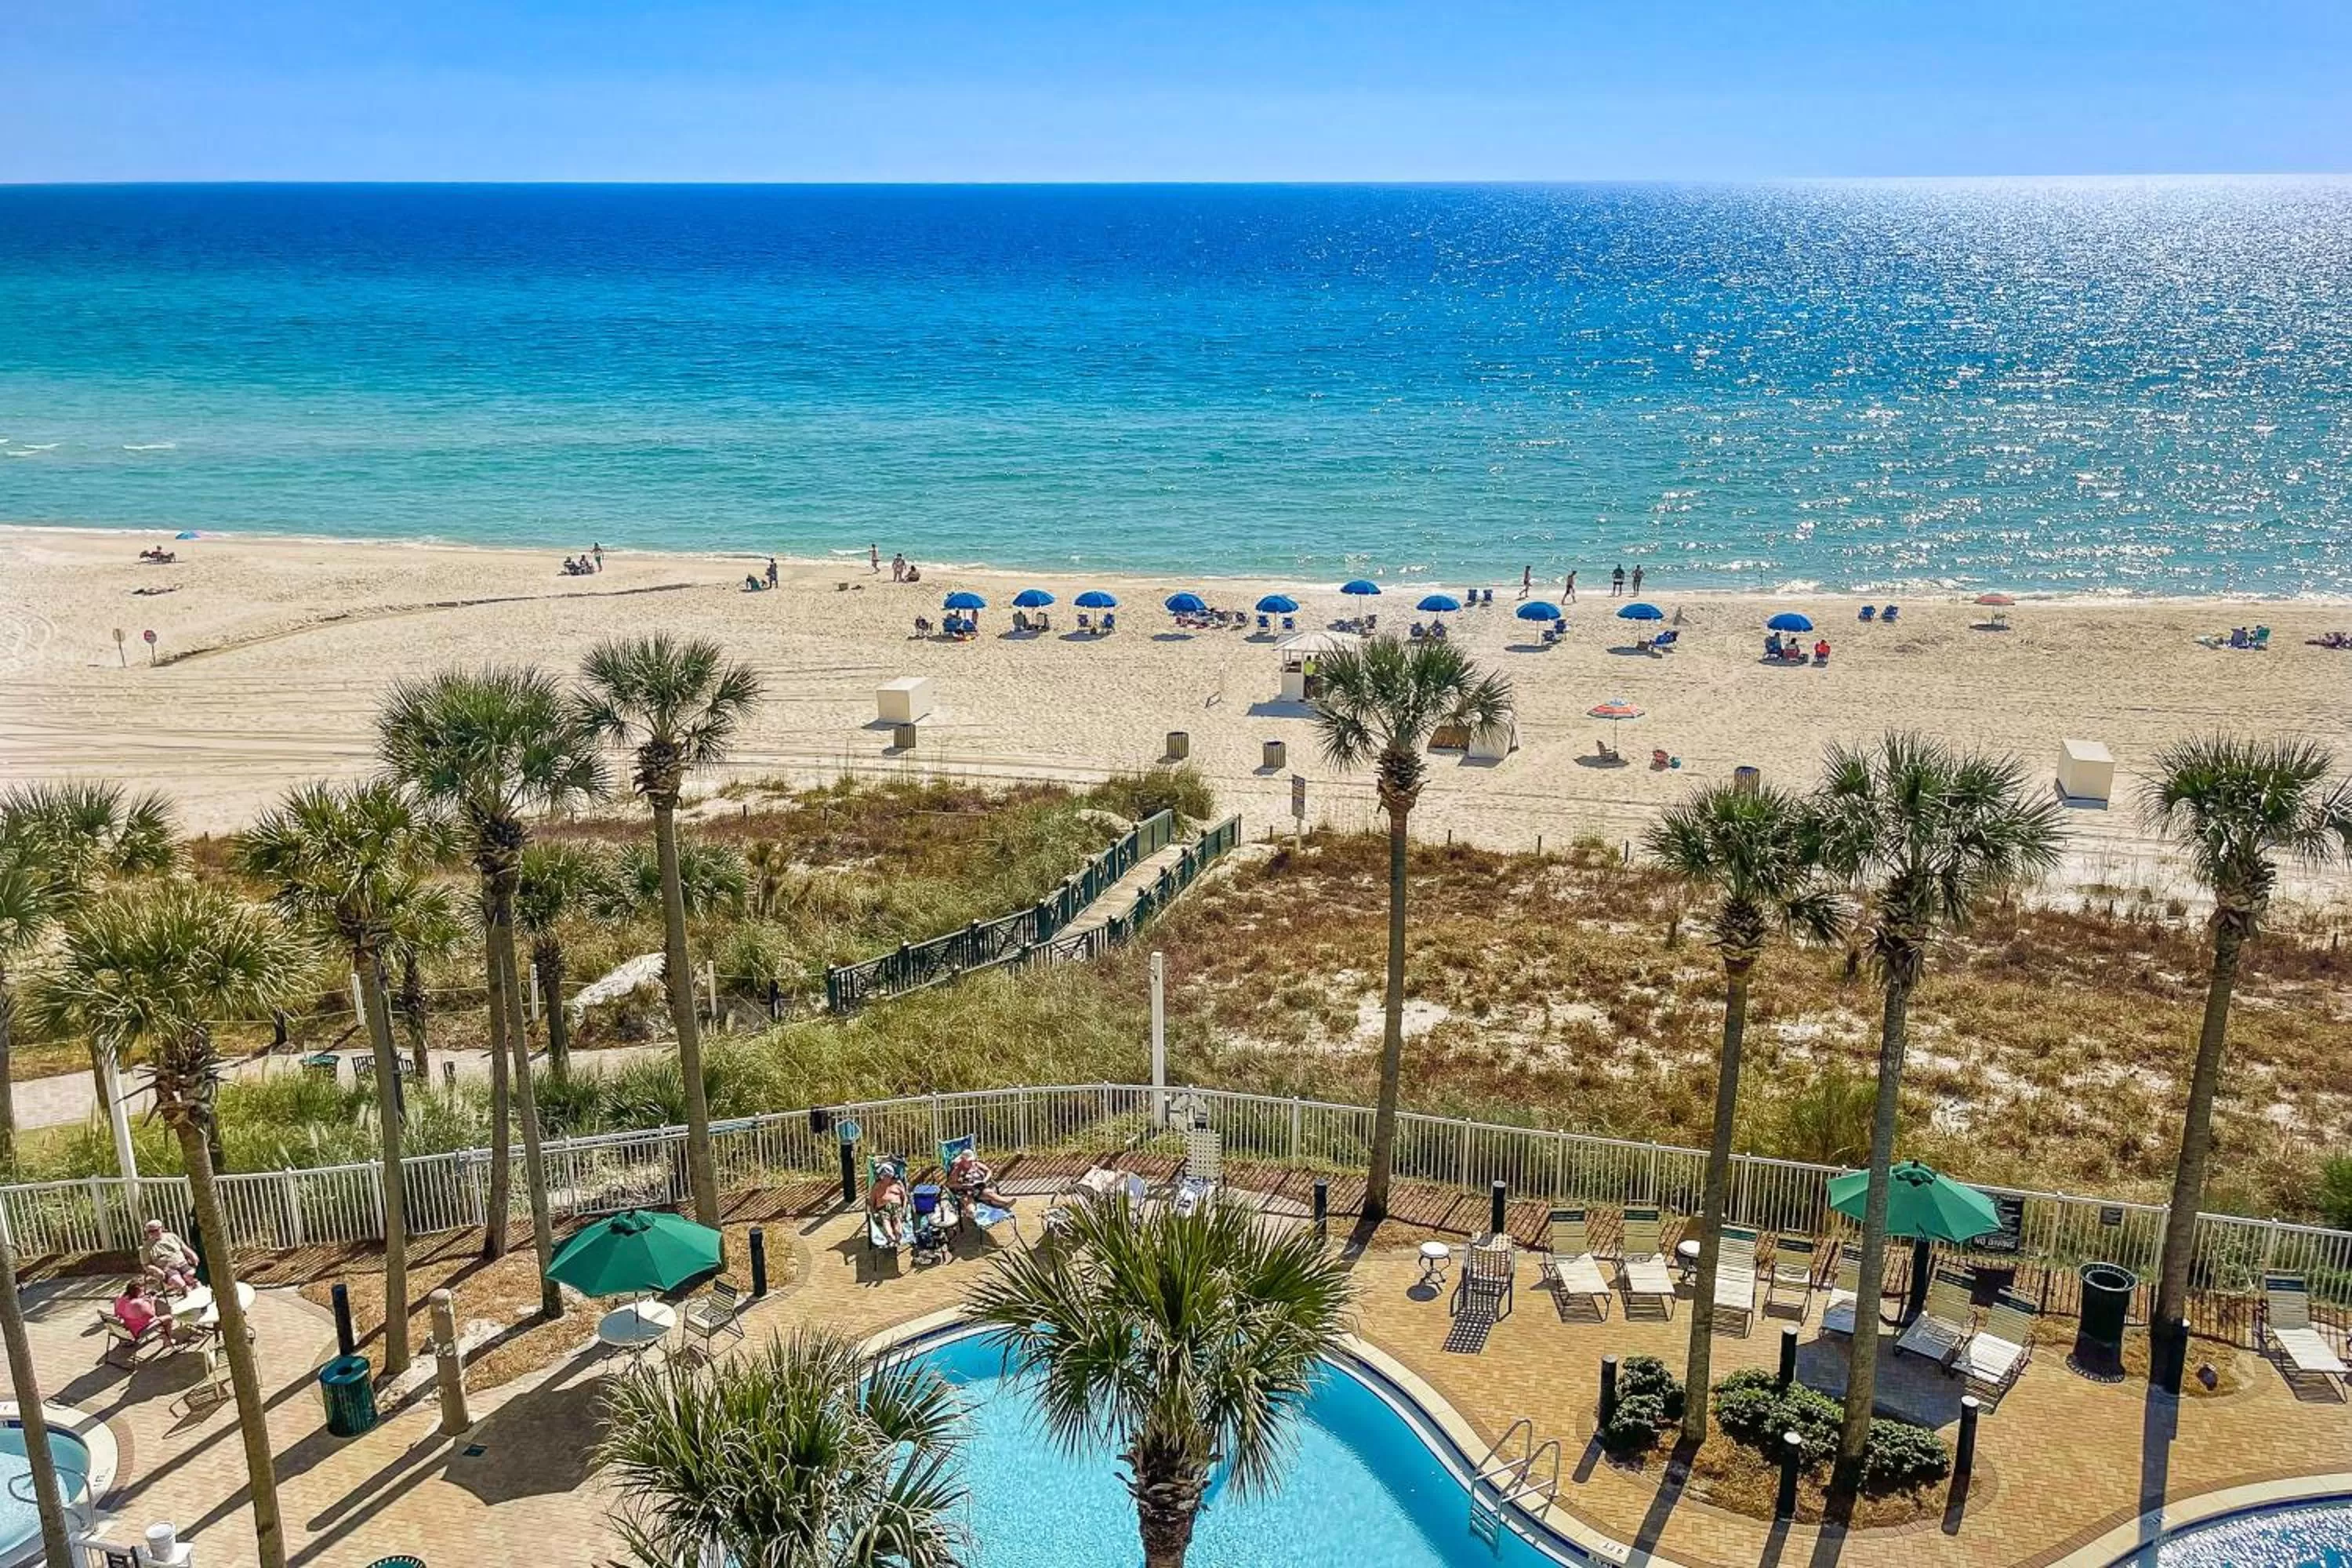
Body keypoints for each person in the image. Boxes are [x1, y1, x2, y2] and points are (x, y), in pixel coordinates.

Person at [946, 1146, 1014, 1209]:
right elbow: (950, 1185)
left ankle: (1006, 1203)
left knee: (989, 1192)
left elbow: (989, 1171)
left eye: (972, 1160)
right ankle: (972, 1213)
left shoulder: (976, 1164)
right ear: (963, 1160)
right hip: (966, 1192)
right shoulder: (957, 1170)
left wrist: (985, 1180)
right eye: (969, 1161)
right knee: (970, 1206)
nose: (971, 1162)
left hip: (979, 1190)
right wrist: (965, 1185)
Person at [143, 1220, 199, 1294]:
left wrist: (193, 1256)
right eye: (151, 1232)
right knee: (178, 1282)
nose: (154, 1233)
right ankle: (188, 1294)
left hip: (182, 1264)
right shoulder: (146, 1247)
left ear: (161, 1228)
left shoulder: (171, 1236)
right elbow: (146, 1265)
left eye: (156, 1230)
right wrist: (157, 1270)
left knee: (192, 1276)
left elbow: (185, 1248)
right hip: (167, 1269)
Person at [112, 1278, 176, 1341]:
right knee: (169, 1317)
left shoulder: (120, 1298)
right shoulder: (138, 1303)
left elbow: (117, 1312)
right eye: (142, 1290)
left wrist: (141, 1299)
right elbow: (152, 1315)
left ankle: (164, 1330)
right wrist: (152, 1302)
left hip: (127, 1327)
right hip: (138, 1331)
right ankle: (168, 1342)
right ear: (139, 1291)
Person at [869, 1160, 911, 1245]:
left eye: (888, 1176)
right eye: (884, 1176)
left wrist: (904, 1208)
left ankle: (898, 1236)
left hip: (896, 1207)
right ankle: (891, 1237)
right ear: (881, 1176)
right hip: (882, 1208)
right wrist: (873, 1211)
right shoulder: (877, 1185)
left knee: (897, 1219)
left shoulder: (897, 1184)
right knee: (885, 1220)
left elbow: (905, 1197)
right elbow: (872, 1199)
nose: (886, 1178)